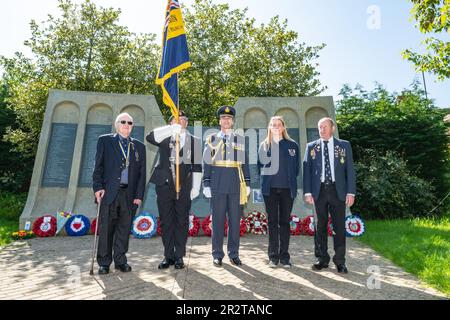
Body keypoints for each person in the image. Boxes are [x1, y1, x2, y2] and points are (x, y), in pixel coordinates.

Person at [146, 111, 202, 270]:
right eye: (177, 119)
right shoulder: (164, 136)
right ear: (170, 122)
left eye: (183, 119)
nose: (181, 121)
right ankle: (168, 255)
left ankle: (179, 256)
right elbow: (150, 137)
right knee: (166, 220)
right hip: (164, 186)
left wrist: (196, 187)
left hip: (184, 187)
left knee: (182, 221)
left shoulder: (194, 141)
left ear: (187, 122)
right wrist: (170, 129)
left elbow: (197, 166)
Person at [93, 112, 146, 275]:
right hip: (109, 193)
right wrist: (97, 187)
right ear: (117, 124)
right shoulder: (105, 140)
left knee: (124, 230)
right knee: (106, 229)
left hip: (129, 195)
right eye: (123, 122)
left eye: (130, 123)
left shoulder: (139, 146)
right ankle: (103, 262)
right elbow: (98, 167)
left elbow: (141, 174)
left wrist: (138, 195)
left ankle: (120, 261)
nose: (126, 125)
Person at [302, 117, 356, 274]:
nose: (322, 129)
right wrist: (307, 192)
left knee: (339, 227)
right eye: (319, 127)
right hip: (318, 191)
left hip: (337, 191)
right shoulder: (311, 147)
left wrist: (351, 192)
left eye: (325, 126)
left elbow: (350, 170)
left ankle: (340, 261)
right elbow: (307, 171)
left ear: (332, 128)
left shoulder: (344, 145)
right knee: (320, 226)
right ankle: (321, 259)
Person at [202, 105, 250, 267]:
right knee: (217, 221)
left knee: (235, 221)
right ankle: (217, 254)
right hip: (217, 184)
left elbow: (245, 163)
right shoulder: (212, 139)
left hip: (236, 184)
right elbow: (206, 163)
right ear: (220, 121)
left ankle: (234, 253)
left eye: (229, 118)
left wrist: (248, 183)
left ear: (233, 121)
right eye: (223, 118)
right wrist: (206, 183)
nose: (226, 120)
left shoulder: (240, 140)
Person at [258, 116, 299, 268]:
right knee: (272, 222)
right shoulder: (264, 145)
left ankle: (285, 257)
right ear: (269, 127)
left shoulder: (292, 145)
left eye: (278, 124)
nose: (276, 127)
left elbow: (296, 169)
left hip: (287, 190)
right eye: (273, 125)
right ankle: (273, 257)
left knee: (284, 222)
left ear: (283, 127)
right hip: (270, 190)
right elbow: (259, 167)